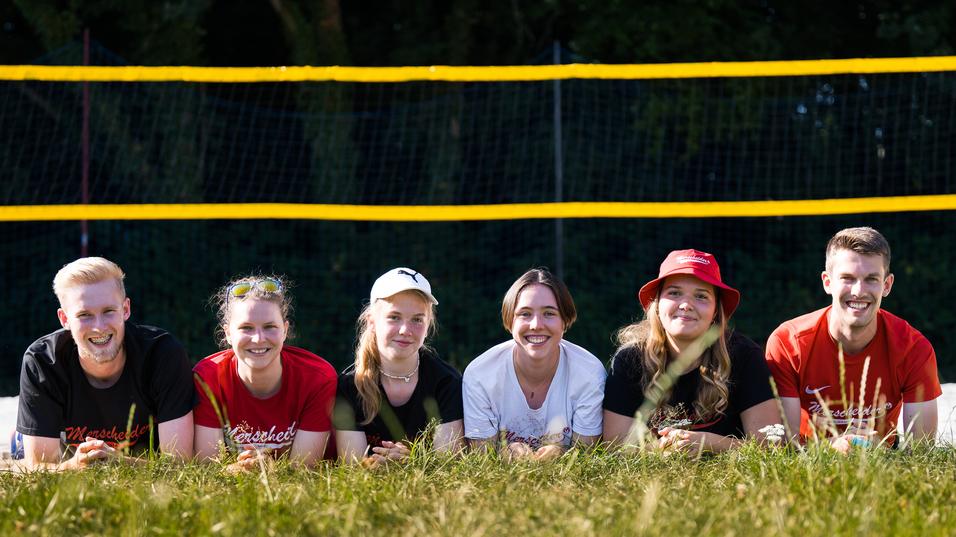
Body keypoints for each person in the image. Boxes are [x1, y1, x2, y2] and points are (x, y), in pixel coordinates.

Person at [766, 227, 941, 448]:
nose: (858, 291)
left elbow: (922, 450)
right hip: (807, 459)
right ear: (827, 282)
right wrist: (832, 448)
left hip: (883, 456)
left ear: (887, 285)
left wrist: (876, 449)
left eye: (871, 279)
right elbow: (785, 445)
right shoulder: (787, 343)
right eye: (848, 278)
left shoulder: (914, 348)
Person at [16, 257, 194, 469]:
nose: (99, 327)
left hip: (139, 457)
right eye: (84, 315)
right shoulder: (42, 361)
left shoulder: (163, 354)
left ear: (126, 309)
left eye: (109, 311)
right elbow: (39, 468)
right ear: (64, 319)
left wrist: (116, 461)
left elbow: (180, 464)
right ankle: (21, 432)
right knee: (21, 446)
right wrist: (74, 466)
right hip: (67, 451)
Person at [603, 250, 778, 452]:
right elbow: (613, 446)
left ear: (715, 311)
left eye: (701, 296)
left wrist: (709, 443)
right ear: (657, 304)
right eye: (674, 293)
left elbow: (771, 446)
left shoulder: (745, 356)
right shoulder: (630, 359)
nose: (686, 305)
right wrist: (663, 449)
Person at [193, 276, 336, 471]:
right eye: (246, 328)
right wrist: (238, 470)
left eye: (270, 327)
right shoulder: (208, 377)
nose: (259, 339)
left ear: (285, 330)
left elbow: (304, 469)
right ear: (227, 333)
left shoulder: (318, 378)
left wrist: (269, 468)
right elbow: (207, 468)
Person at [463, 268, 606, 461]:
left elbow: (587, 455)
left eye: (549, 313)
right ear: (509, 321)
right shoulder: (480, 375)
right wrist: (504, 452)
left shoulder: (589, 374)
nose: (536, 324)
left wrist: (561, 453)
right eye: (525, 314)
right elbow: (481, 458)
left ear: (565, 321)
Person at [334, 268, 463, 468]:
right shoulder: (350, 385)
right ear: (372, 322)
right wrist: (382, 464)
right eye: (394, 317)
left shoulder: (446, 382)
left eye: (417, 320)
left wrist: (412, 462)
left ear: (428, 325)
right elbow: (352, 467)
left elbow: (449, 464)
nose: (405, 330)